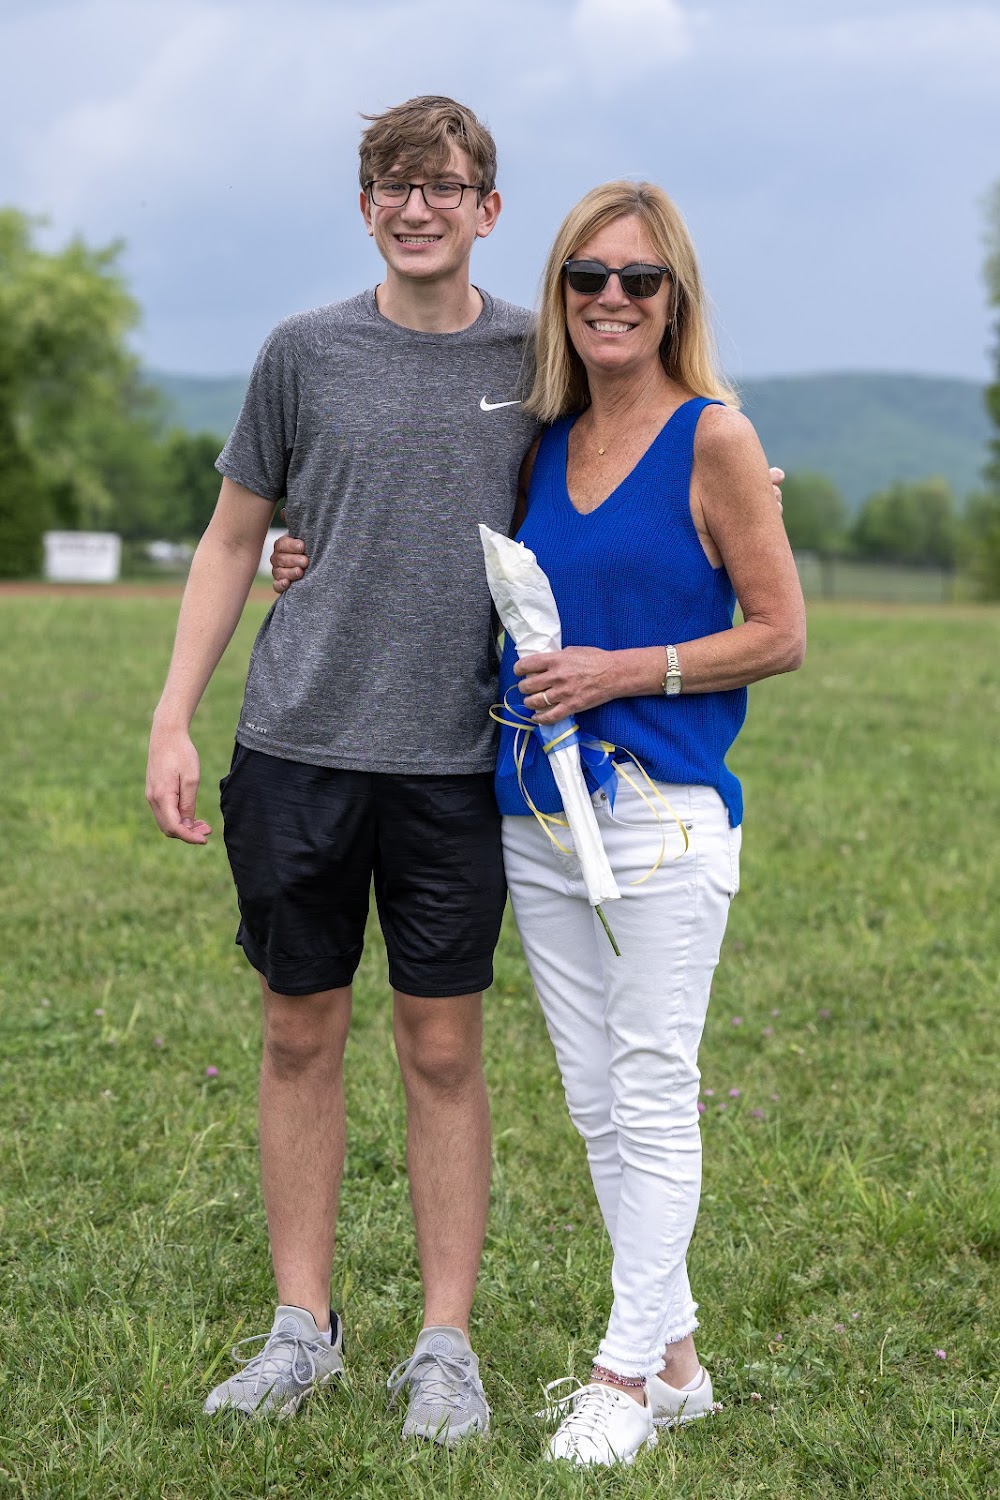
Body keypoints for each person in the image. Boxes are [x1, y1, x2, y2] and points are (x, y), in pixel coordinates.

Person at [276, 177, 804, 1468]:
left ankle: (620, 1378)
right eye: (588, 277)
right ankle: (678, 1365)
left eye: (639, 279)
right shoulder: (544, 439)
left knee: (654, 1088)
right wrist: (305, 553)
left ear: (675, 299)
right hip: (536, 812)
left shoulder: (716, 438)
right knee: (594, 1100)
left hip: (663, 816)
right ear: (560, 292)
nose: (612, 298)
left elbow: (781, 632)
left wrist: (627, 672)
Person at [145, 95, 541, 1443]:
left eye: (444, 185)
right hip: (298, 747)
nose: (417, 207)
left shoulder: (539, 358)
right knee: (297, 1030)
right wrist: (173, 718)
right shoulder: (301, 353)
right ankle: (300, 1329)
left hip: (458, 762)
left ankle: (445, 1347)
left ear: (488, 208)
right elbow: (230, 539)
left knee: (444, 1047)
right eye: (393, 185)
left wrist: (737, 484)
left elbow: (627, 471)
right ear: (365, 206)